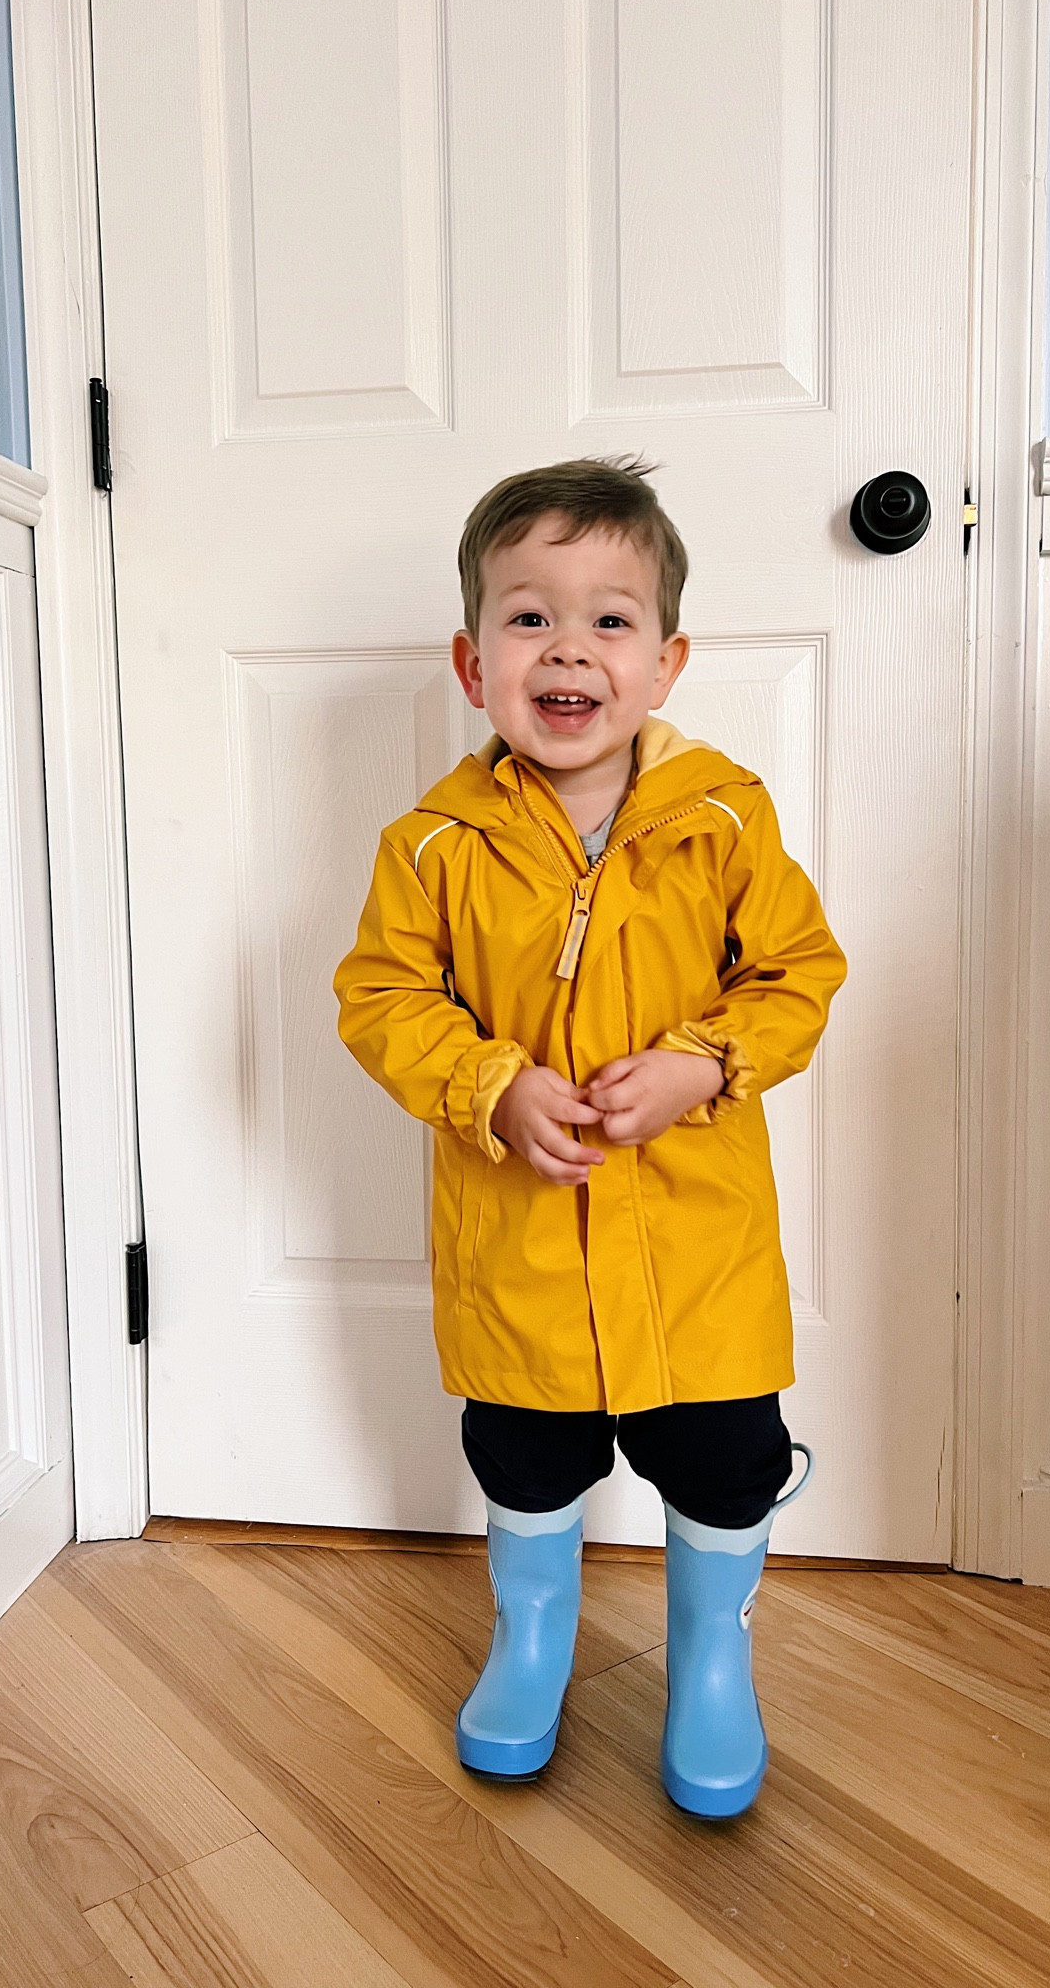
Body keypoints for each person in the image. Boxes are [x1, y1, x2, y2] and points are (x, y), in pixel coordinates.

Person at [334, 456, 846, 1818]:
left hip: (695, 1244)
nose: (568, 646)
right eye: (529, 616)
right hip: (520, 1248)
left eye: (610, 619)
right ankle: (534, 1635)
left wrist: (703, 1062)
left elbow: (798, 973)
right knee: (524, 1450)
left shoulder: (722, 821)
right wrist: (488, 1082)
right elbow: (379, 998)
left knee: (729, 1452)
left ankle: (711, 1656)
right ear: (472, 657)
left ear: (667, 661)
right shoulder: (432, 844)